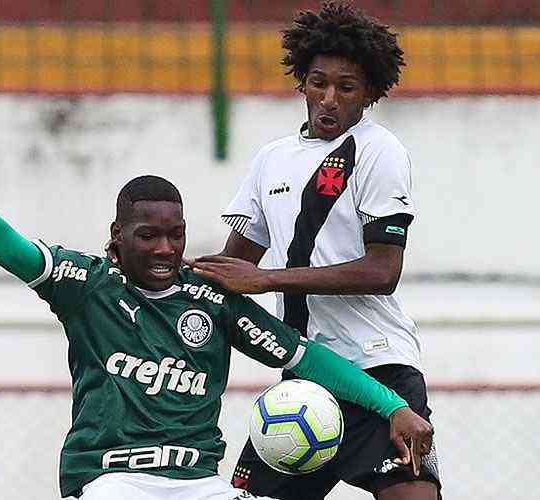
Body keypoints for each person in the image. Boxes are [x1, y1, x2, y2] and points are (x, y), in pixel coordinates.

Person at [0, 132, 432, 500]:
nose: (165, 248)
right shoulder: (84, 285)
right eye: (148, 235)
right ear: (119, 236)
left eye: (175, 235)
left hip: (198, 485)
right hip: (111, 481)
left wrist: (393, 407)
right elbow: (4, 244)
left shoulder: (211, 300)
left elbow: (309, 360)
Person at [189, 2, 442, 500]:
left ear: (369, 92)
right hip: (305, 378)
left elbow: (382, 270)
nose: (329, 99)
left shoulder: (377, 150)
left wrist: (268, 280)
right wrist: (158, 275)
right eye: (317, 83)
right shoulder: (271, 160)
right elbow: (234, 266)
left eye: (346, 88)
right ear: (301, 81)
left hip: (378, 367)